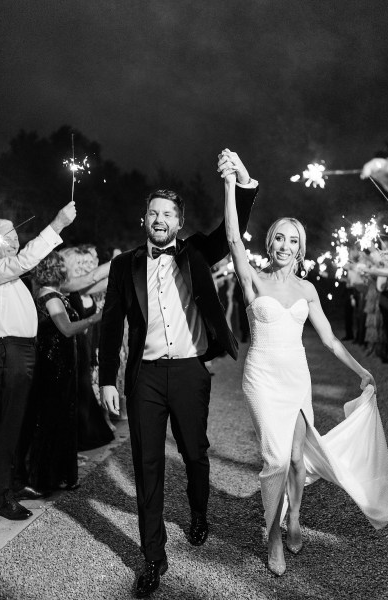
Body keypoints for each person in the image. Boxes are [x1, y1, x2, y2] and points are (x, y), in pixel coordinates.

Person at [220, 148, 388, 577]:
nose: (284, 245)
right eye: (279, 237)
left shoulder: (308, 290)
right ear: (270, 243)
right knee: (276, 458)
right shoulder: (253, 280)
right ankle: (273, 534)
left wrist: (361, 371)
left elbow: (331, 340)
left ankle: (295, 515)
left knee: (297, 460)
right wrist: (230, 184)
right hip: (261, 376)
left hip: (296, 376)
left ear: (301, 249)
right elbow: (230, 237)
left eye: (293, 240)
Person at [99, 153, 258, 598]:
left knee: (195, 453)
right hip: (144, 377)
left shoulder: (195, 253)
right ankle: (153, 559)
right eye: (153, 212)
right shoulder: (123, 265)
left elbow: (231, 234)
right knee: (146, 468)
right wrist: (107, 378)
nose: (160, 219)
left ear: (179, 222)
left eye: (168, 214)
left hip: (190, 372)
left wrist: (240, 183)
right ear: (143, 219)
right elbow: (111, 323)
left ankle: (199, 512)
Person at [0, 201, 76, 520]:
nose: (13, 243)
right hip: (6, 352)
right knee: (5, 422)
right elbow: (27, 258)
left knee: (17, 422)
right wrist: (56, 225)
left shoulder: (10, 274)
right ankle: (0, 495)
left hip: (21, 351)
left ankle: (11, 482)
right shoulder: (0, 269)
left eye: (15, 238)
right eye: (5, 238)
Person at [23, 251, 103, 492]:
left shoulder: (54, 293)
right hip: (54, 367)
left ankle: (59, 475)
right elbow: (67, 329)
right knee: (53, 420)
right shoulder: (50, 297)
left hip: (60, 364)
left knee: (60, 418)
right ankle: (48, 478)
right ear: (56, 270)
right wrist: (95, 318)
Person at [60, 247, 115, 450]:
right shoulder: (66, 285)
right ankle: (77, 441)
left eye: (86, 263)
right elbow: (92, 277)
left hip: (83, 343)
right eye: (79, 264)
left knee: (84, 391)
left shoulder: (78, 288)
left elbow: (102, 281)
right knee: (77, 391)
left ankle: (85, 435)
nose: (84, 268)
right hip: (70, 343)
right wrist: (119, 261)